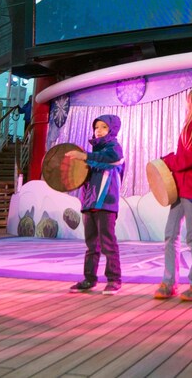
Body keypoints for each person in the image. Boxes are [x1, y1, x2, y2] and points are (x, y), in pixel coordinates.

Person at [154, 88, 192, 301]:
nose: (186, 105)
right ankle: (169, 281)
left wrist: (167, 160)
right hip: (182, 190)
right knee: (171, 233)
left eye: (188, 101)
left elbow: (187, 159)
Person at [67, 114, 125, 295]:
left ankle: (114, 279)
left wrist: (84, 156)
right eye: (96, 127)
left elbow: (111, 158)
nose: (98, 131)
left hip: (106, 204)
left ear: (112, 130)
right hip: (90, 203)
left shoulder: (114, 148)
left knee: (108, 242)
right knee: (92, 244)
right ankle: (89, 279)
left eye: (104, 127)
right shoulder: (92, 154)